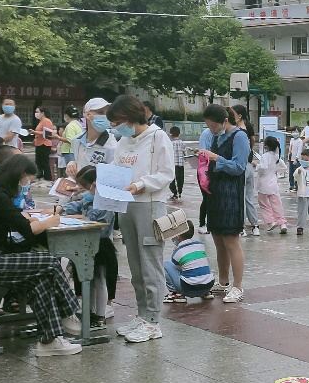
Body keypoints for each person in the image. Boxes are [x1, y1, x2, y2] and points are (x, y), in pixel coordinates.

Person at [0, 156, 82, 356]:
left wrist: (33, 218)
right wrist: (51, 221)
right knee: (49, 262)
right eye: (28, 179)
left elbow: (18, 218)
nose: (28, 183)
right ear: (19, 175)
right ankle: (67, 312)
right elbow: (28, 229)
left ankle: (50, 340)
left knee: (40, 280)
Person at [108, 95, 176, 341]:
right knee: (135, 265)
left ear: (130, 116)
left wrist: (140, 185)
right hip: (126, 205)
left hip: (149, 204)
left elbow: (166, 173)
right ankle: (142, 314)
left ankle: (153, 321)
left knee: (151, 263)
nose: (115, 126)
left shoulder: (158, 137)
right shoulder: (123, 141)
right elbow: (116, 169)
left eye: (117, 121)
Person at [197, 104, 249, 303]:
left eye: (214, 126)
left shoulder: (239, 136)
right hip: (215, 193)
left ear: (225, 121)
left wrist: (216, 158)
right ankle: (223, 282)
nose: (212, 130)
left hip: (231, 194)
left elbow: (238, 167)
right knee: (218, 240)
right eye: (209, 127)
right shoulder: (218, 137)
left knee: (231, 241)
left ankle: (237, 286)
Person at [62, 165, 117, 326]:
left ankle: (100, 315)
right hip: (85, 241)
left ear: (94, 184)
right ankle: (90, 312)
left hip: (100, 243)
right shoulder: (89, 198)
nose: (82, 190)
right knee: (88, 279)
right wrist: (60, 209)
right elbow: (74, 207)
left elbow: (96, 221)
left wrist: (83, 213)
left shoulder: (106, 201)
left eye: (85, 187)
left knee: (99, 279)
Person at [163, 221, 214, 303]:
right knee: (203, 260)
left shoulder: (177, 252)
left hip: (189, 288)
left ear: (178, 236)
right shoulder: (200, 245)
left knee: (165, 264)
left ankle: (176, 293)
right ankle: (206, 293)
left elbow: (178, 268)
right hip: (208, 285)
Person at [231, 104, 260, 236]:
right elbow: (253, 140)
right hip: (248, 165)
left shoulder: (236, 130)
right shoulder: (248, 126)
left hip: (241, 166)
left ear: (239, 115)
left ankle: (241, 227)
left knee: (240, 198)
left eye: (233, 113)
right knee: (249, 197)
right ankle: (255, 226)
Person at [67, 97, 116, 175]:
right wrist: (72, 164)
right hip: (79, 185)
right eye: (100, 112)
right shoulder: (77, 141)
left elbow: (113, 174)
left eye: (107, 113)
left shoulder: (111, 145)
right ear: (87, 114)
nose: (105, 116)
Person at [256, 135, 287, 233]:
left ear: (266, 146)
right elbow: (284, 167)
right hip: (273, 184)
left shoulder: (265, 156)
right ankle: (282, 223)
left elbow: (263, 167)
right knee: (277, 205)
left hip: (263, 184)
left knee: (264, 204)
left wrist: (256, 165)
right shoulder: (276, 157)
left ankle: (271, 222)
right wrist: (275, 170)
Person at [30, 105, 56, 182]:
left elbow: (47, 133)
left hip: (44, 144)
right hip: (39, 143)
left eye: (37, 112)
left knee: (44, 162)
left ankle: (48, 178)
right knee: (39, 161)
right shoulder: (41, 121)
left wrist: (34, 132)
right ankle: (40, 176)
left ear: (42, 113)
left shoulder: (46, 121)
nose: (36, 114)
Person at [168, 126, 188, 200]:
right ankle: (180, 192)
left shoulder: (169, 143)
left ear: (171, 134)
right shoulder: (182, 143)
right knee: (180, 179)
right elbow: (185, 154)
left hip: (172, 164)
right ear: (179, 134)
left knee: (172, 179)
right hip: (180, 164)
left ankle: (174, 193)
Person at [287, 127, 303, 192]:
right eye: (293, 131)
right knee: (291, 173)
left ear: (299, 133)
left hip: (296, 160)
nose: (294, 133)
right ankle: (291, 185)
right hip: (291, 158)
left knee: (296, 173)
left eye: (296, 131)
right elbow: (290, 149)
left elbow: (299, 151)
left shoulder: (300, 141)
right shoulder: (292, 140)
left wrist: (296, 159)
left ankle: (296, 187)